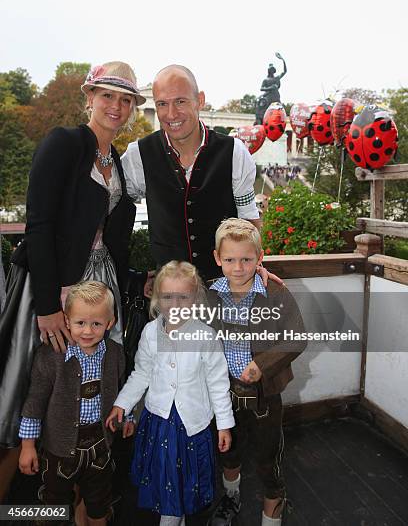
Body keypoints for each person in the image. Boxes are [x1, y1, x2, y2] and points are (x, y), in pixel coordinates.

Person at [0, 61, 143, 450]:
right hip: (51, 283)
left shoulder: (119, 161)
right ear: (90, 98)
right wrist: (47, 305)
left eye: (126, 99)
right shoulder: (63, 143)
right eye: (108, 95)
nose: (116, 106)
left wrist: (131, 279)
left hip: (101, 286)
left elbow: (107, 238)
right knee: (33, 385)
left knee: (88, 386)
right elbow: (40, 224)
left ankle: (85, 488)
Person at [106, 261, 235, 526]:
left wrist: (224, 425)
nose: (175, 304)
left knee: (180, 488)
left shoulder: (206, 336)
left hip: (191, 428)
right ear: (156, 298)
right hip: (159, 425)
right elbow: (141, 373)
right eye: (167, 297)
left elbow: (218, 383)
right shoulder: (150, 333)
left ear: (196, 298)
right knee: (168, 487)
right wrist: (123, 404)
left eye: (183, 297)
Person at [121, 64, 262, 282]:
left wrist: (255, 265)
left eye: (180, 101)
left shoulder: (235, 152)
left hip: (225, 289)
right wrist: (133, 278)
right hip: (170, 297)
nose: (171, 113)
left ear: (200, 101)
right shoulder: (137, 155)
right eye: (162, 104)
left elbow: (248, 219)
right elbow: (113, 212)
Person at [207, 218, 306, 526]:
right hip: (224, 394)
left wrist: (262, 365)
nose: (239, 267)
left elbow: (297, 336)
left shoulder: (274, 292)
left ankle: (272, 510)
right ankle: (231, 496)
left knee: (267, 456)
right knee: (228, 450)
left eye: (247, 259)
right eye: (230, 259)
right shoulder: (209, 296)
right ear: (217, 258)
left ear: (260, 258)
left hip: (265, 397)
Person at [18, 281, 134, 525]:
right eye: (80, 323)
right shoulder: (51, 356)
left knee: (99, 504)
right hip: (59, 452)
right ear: (66, 320)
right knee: (55, 504)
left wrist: (128, 416)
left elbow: (123, 390)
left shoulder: (114, 354)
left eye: (96, 324)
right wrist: (28, 446)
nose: (88, 331)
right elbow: (35, 402)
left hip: (100, 447)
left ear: (110, 323)